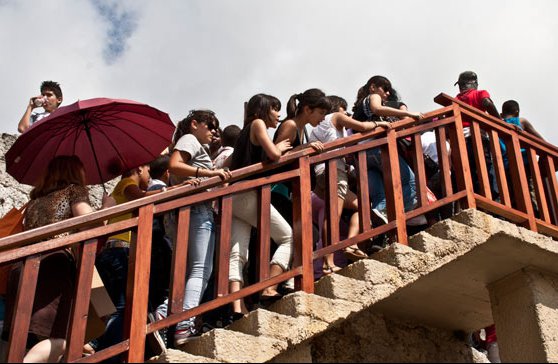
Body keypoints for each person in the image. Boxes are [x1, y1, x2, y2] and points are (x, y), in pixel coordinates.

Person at [2, 156, 114, 363]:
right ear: (75, 172)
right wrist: (108, 207)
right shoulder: (74, 190)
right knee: (60, 336)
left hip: (22, 266)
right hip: (52, 265)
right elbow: (88, 223)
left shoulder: (35, 201)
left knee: (25, 337)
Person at [154, 110, 231, 346]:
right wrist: (208, 173)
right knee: (200, 270)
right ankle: (181, 324)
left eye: (217, 127)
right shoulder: (190, 139)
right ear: (195, 124)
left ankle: (166, 315)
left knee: (191, 271)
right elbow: (175, 164)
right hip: (198, 210)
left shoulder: (196, 144)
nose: (214, 131)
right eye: (210, 126)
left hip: (190, 211)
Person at [226, 94, 293, 315]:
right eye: (275, 109)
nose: (278, 114)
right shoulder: (258, 124)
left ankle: (237, 305)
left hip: (233, 197)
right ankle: (269, 286)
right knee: (287, 237)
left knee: (238, 252)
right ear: (263, 109)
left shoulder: (242, 134)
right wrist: (281, 147)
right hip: (247, 194)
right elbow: (273, 154)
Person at [309, 95, 390, 272]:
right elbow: (361, 127)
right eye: (343, 108)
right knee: (333, 216)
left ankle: (350, 245)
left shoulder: (316, 129)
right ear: (337, 108)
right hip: (334, 171)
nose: (346, 112)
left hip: (321, 174)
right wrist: (379, 124)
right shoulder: (335, 117)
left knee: (361, 205)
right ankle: (328, 263)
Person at [88, 164, 162, 357]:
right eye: (148, 170)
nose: (149, 175)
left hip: (109, 251)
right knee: (122, 307)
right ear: (138, 169)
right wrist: (171, 189)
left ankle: (96, 343)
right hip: (120, 251)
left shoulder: (117, 189)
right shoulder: (127, 182)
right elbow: (142, 197)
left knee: (110, 307)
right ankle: (104, 351)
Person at [352, 75, 426, 226]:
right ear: (372, 87)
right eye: (384, 89)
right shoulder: (372, 96)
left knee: (380, 195)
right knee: (411, 182)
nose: (387, 93)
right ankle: (398, 214)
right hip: (377, 148)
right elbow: (377, 108)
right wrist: (409, 114)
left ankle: (380, 222)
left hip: (362, 156)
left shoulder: (360, 109)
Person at [454, 71, 501, 198]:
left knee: (470, 170)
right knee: (485, 168)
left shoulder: (456, 100)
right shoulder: (480, 93)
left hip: (460, 140)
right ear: (475, 83)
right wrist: (500, 122)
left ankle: (476, 198)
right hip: (478, 136)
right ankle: (493, 198)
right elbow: (487, 103)